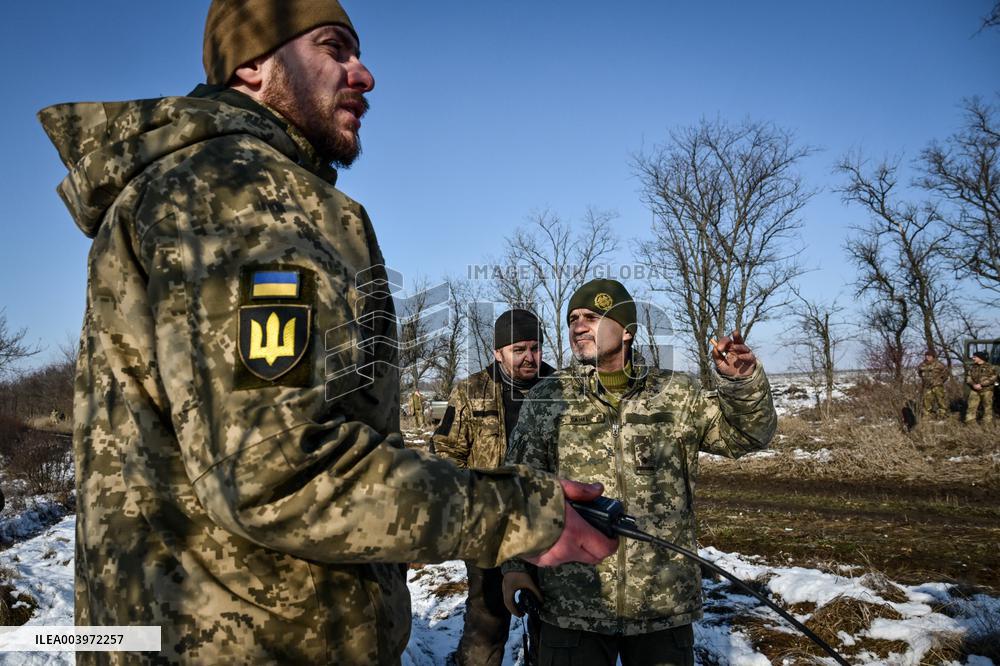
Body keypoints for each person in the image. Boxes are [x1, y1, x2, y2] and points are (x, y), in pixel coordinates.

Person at [39, 2, 618, 663]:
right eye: (334, 48)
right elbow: (276, 471)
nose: (364, 74)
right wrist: (523, 514)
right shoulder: (243, 190)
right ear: (253, 66)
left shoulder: (181, 189)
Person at [501, 279, 777, 666]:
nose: (578, 326)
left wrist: (742, 383)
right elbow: (519, 488)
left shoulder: (676, 394)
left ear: (627, 330)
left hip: (661, 602)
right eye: (573, 318)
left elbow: (746, 436)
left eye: (593, 317)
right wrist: (514, 566)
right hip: (574, 600)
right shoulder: (549, 398)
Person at [433, 309, 556, 666]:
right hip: (490, 528)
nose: (529, 357)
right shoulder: (471, 391)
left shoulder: (559, 388)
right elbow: (445, 451)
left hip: (546, 524)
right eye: (518, 349)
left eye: (535, 348)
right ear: (497, 352)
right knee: (486, 618)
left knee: (551, 620)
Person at [965, 351, 997, 425]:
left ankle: (987, 424)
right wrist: (973, 385)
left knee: (987, 408)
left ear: (980, 358)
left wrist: (981, 384)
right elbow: (968, 377)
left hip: (987, 390)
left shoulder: (990, 367)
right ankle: (970, 424)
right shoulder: (972, 367)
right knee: (971, 407)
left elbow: (994, 378)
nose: (973, 358)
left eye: (975, 357)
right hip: (974, 390)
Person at [917, 350, 949, 420]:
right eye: (926, 355)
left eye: (929, 356)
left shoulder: (939, 364)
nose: (928, 357)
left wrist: (940, 381)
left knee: (940, 401)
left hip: (937, 386)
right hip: (927, 386)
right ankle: (927, 417)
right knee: (926, 402)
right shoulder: (922, 365)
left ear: (933, 357)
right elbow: (919, 373)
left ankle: (942, 416)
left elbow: (946, 374)